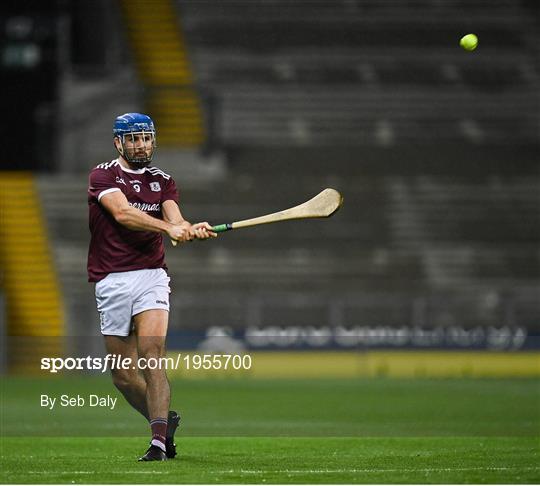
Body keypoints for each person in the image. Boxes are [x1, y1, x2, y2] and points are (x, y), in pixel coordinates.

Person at [87, 113, 217, 461]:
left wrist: (188, 227)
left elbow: (175, 218)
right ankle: (163, 423)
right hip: (112, 279)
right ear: (118, 143)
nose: (140, 145)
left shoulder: (163, 181)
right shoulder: (104, 175)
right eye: (133, 139)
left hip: (151, 276)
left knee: (152, 356)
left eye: (145, 138)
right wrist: (167, 228)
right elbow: (124, 214)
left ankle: (158, 443)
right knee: (123, 376)